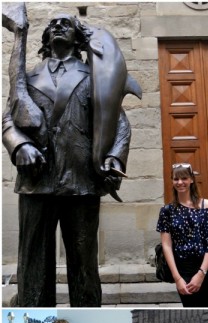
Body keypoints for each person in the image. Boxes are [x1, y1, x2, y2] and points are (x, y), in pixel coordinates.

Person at [2, 11, 140, 307]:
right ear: (46, 38)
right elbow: (8, 121)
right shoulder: (26, 78)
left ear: (78, 38)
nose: (58, 27)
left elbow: (120, 123)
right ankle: (34, 318)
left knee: (84, 262)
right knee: (33, 261)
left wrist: (115, 159)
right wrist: (18, 146)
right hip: (36, 182)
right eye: (52, 24)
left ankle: (89, 314)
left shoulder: (96, 77)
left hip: (83, 180)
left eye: (66, 23)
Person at [156, 163, 208, 307]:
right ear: (172, 181)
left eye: (184, 178)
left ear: (191, 180)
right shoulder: (167, 211)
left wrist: (201, 273)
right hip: (185, 271)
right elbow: (166, 245)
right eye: (176, 179)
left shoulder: (206, 206)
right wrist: (177, 279)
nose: (180, 182)